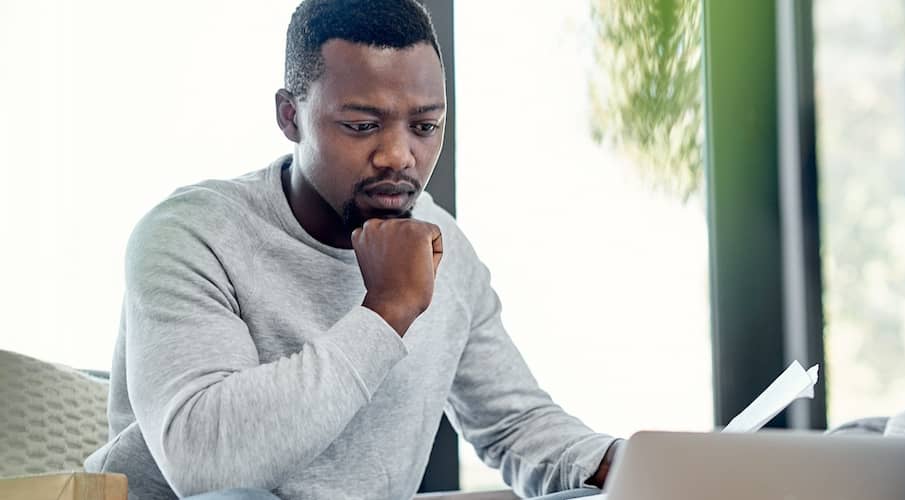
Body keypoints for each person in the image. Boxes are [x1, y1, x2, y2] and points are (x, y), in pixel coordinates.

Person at [83, 1, 620, 498]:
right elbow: (206, 468)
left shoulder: (444, 248)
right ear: (289, 116)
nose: (398, 156)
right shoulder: (191, 235)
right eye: (362, 125)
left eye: (425, 126)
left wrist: (624, 462)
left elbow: (514, 426)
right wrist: (387, 311)